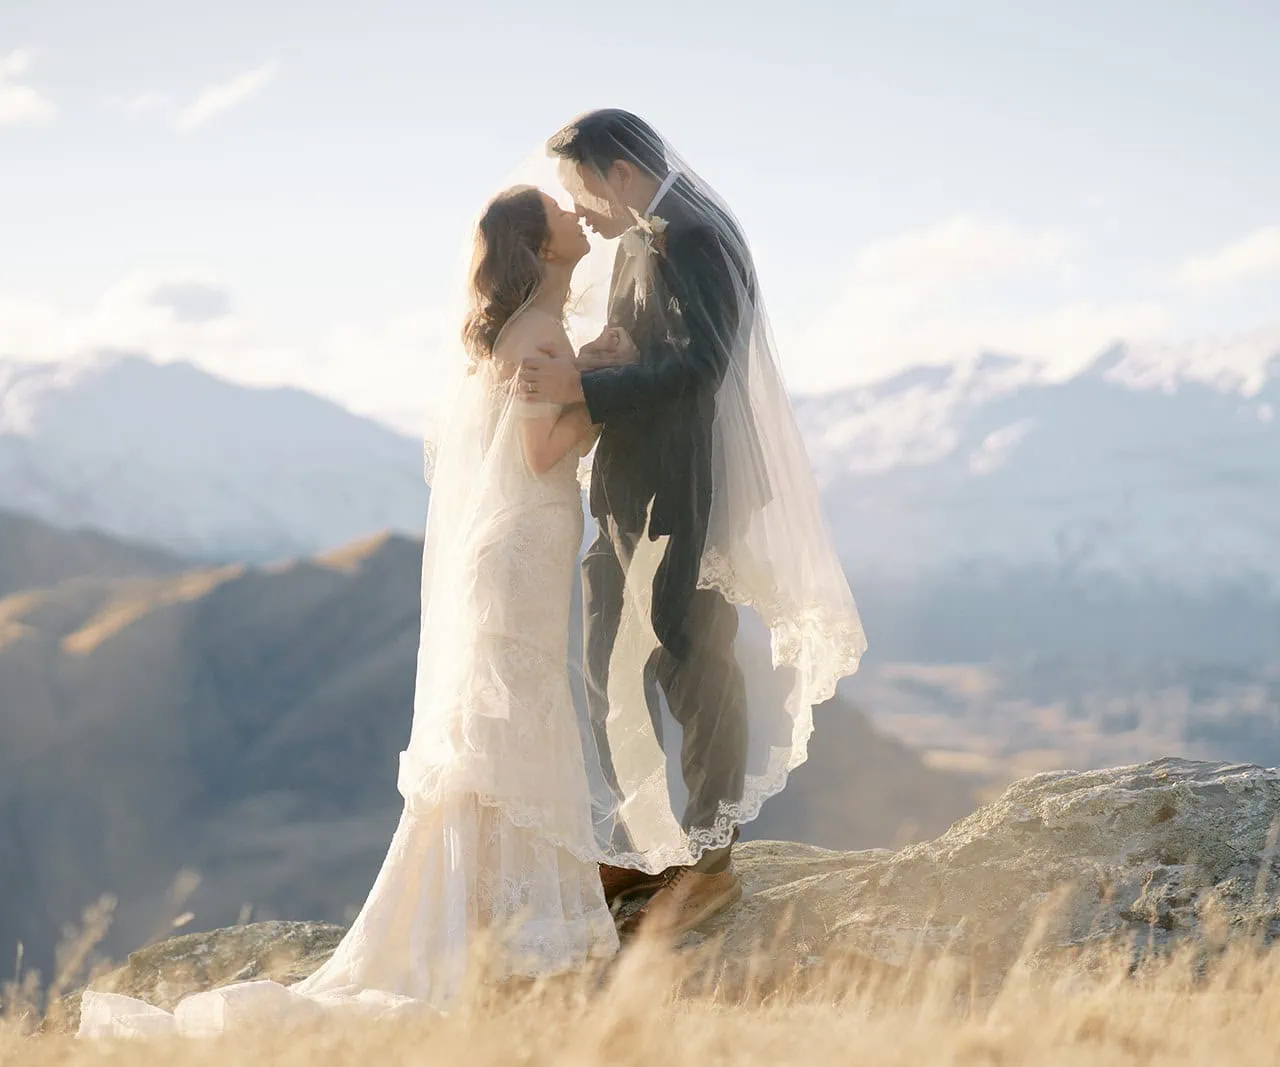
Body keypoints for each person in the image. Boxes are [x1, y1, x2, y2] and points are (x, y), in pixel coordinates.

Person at [78, 186, 620, 1036]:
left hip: (520, 549)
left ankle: (492, 917)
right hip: (522, 551)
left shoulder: (529, 329)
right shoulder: (541, 334)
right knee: (518, 718)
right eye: (557, 209)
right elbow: (541, 448)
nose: (573, 213)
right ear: (539, 245)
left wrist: (590, 374)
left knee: (506, 724)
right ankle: (504, 928)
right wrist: (600, 388)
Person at [518, 109, 867, 937]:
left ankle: (710, 866)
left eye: (582, 192)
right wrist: (604, 356)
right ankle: (643, 848)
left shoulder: (696, 235)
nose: (584, 216)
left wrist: (580, 390)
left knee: (693, 664)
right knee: (609, 666)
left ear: (619, 172)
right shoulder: (643, 235)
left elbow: (702, 366)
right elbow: (649, 348)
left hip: (683, 490)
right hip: (630, 486)